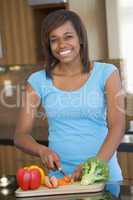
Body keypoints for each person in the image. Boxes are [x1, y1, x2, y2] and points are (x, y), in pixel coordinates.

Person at [14, 9, 125, 182]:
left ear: (80, 38)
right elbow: (20, 135)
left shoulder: (107, 73)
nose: (61, 45)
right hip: (60, 179)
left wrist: (95, 164)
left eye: (68, 37)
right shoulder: (37, 81)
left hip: (103, 176)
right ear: (48, 45)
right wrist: (42, 150)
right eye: (54, 40)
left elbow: (117, 126)